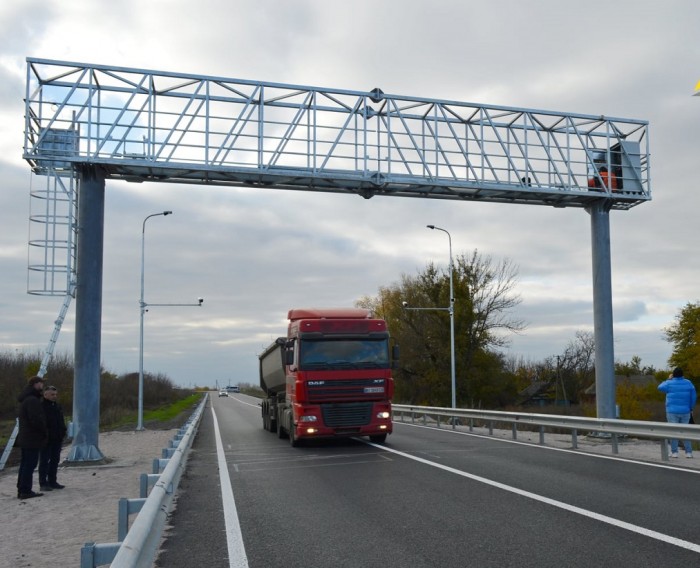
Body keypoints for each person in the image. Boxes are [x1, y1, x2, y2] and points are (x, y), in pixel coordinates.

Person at [16, 376, 48, 499]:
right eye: (41, 383)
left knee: (25, 464)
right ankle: (25, 490)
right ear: (36, 384)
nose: (42, 386)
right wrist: (43, 430)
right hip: (31, 437)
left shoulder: (26, 399)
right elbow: (36, 419)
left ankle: (22, 488)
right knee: (30, 464)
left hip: (26, 437)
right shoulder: (32, 400)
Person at [658, 367, 697, 458]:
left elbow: (659, 387)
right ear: (682, 375)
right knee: (686, 431)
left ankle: (674, 452)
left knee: (673, 432)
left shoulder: (669, 383)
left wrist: (668, 379)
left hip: (672, 411)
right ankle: (688, 452)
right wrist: (691, 408)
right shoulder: (688, 383)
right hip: (685, 411)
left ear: (673, 375)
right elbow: (693, 397)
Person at [39, 385, 67, 491]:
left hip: (57, 437)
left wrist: (63, 431)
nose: (54, 396)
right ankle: (43, 483)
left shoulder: (57, 406)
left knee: (55, 460)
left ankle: (52, 481)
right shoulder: (41, 407)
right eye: (52, 394)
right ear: (45, 394)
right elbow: (41, 423)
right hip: (46, 439)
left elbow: (61, 420)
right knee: (44, 461)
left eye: (55, 394)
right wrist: (45, 434)